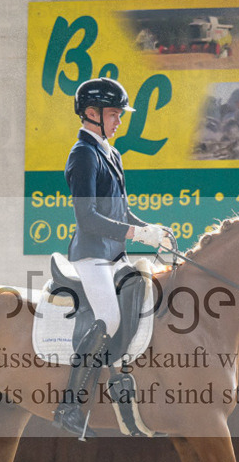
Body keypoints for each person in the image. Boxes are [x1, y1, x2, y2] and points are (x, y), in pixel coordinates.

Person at [52, 77, 172, 438]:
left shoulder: (111, 153)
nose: (120, 121)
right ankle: (70, 404)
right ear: (91, 113)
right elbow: (87, 218)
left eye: (120, 114)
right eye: (114, 114)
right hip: (91, 256)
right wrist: (136, 234)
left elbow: (121, 212)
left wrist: (151, 230)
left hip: (114, 254)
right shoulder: (83, 155)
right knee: (108, 317)